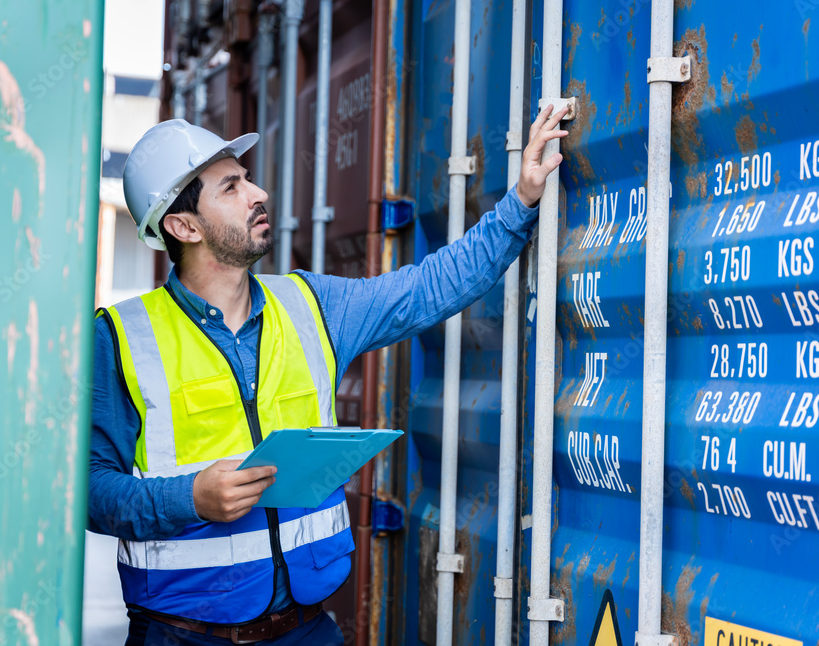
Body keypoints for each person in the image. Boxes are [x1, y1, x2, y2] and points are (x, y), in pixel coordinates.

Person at [87, 104, 568, 646]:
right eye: (230, 189)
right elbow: (91, 493)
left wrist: (520, 200)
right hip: (180, 637)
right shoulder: (121, 339)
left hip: (305, 631)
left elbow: (428, 289)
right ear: (182, 225)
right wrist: (190, 499)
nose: (257, 193)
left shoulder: (310, 305)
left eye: (247, 179)